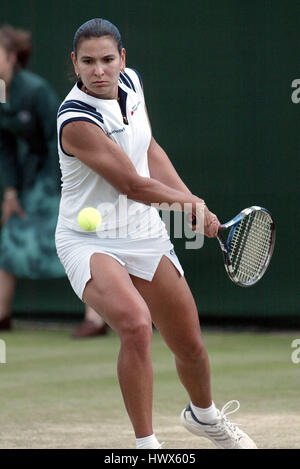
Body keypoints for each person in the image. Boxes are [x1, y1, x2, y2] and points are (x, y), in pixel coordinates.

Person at [55, 18, 257, 449]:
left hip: (143, 231)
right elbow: (132, 184)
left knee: (191, 346)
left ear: (122, 58)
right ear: (75, 64)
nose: (100, 70)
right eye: (88, 62)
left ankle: (204, 417)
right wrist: (191, 208)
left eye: (108, 59)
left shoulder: (132, 84)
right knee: (135, 324)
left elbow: (149, 150)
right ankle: (147, 447)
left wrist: (192, 202)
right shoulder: (76, 122)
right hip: (88, 240)